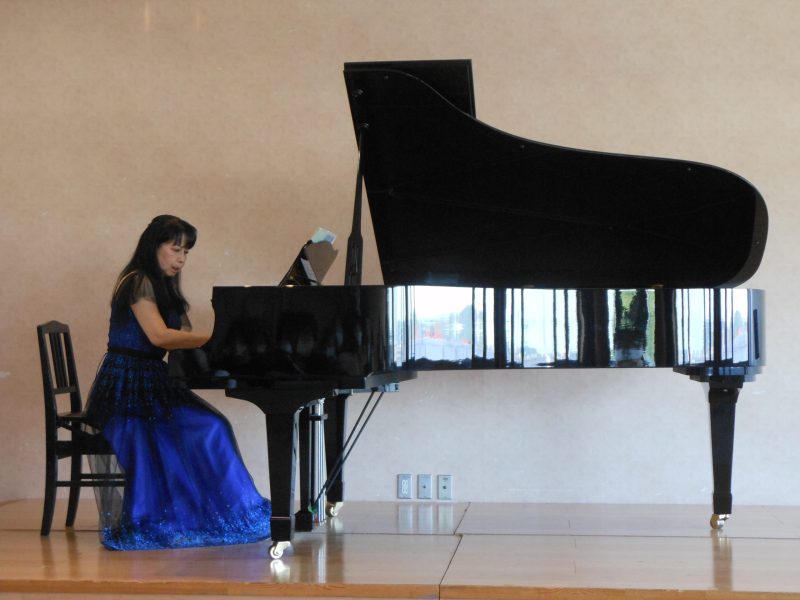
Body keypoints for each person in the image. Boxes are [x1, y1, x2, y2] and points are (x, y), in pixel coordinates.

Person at [85, 215, 271, 550]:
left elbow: (182, 335)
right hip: (126, 385)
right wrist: (217, 337)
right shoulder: (136, 281)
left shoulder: (164, 287)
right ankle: (178, 516)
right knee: (202, 427)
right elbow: (160, 336)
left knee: (212, 425)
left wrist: (219, 343)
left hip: (151, 380)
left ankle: (215, 512)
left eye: (186, 252)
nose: (181, 258)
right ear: (153, 246)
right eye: (175, 249)